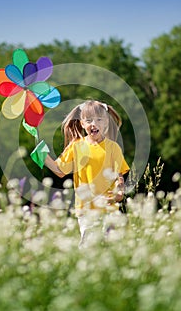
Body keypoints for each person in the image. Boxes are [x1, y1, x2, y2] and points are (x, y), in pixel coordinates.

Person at [44, 100, 130, 246]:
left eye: (99, 120)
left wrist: (119, 192)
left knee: (110, 247)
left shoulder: (113, 148)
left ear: (106, 124)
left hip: (109, 207)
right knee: (88, 247)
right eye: (88, 120)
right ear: (82, 124)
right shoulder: (76, 146)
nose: (93, 124)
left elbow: (118, 176)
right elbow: (59, 171)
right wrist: (41, 155)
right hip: (86, 209)